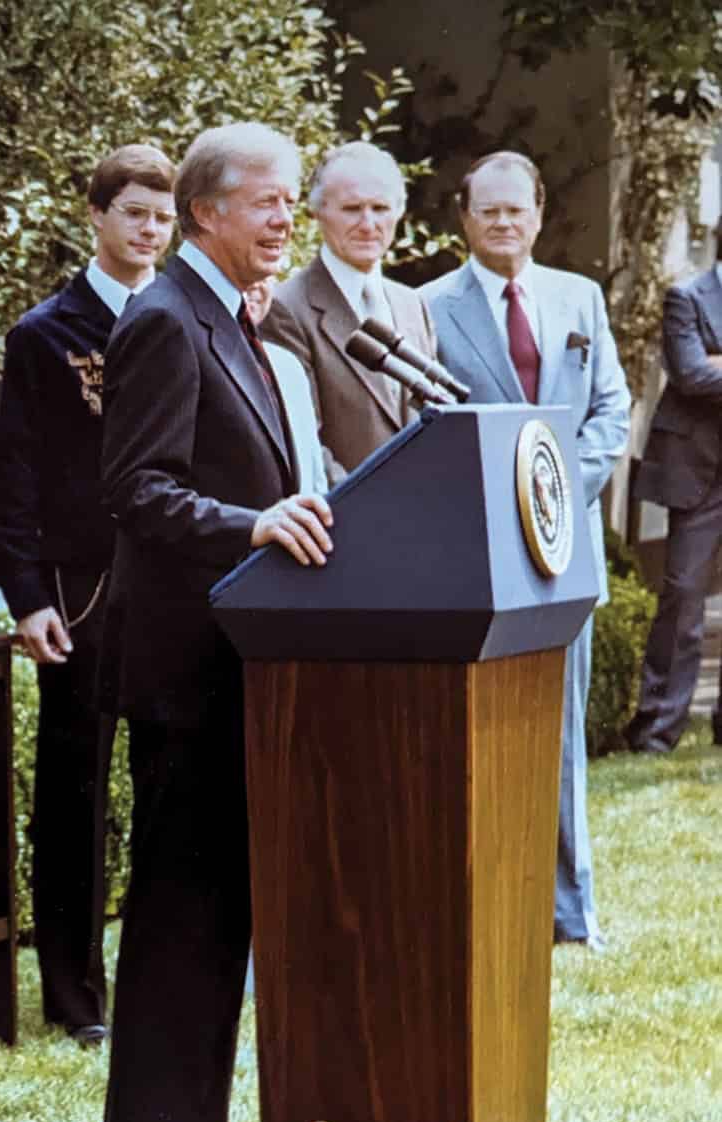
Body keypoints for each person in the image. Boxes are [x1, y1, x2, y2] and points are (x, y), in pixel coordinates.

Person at [97, 122, 334, 1122]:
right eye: (267, 201)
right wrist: (250, 524)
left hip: (248, 664)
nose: (288, 218)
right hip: (186, 670)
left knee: (216, 903)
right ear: (203, 211)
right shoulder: (162, 320)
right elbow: (136, 489)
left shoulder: (241, 323)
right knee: (180, 906)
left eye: (292, 201)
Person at [0, 143, 175, 1046]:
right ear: (96, 217)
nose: (149, 231)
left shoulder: (181, 319)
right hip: (82, 586)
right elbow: (14, 475)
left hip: (172, 580)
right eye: (134, 213)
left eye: (163, 216)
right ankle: (74, 996)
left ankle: (162, 975)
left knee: (169, 783)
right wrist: (26, 594)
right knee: (73, 794)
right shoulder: (46, 334)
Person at [421, 150, 630, 950]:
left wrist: (556, 492)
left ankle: (570, 915)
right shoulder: (428, 306)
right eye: (488, 211)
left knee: (563, 733)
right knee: (473, 734)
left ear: (539, 213)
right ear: (463, 219)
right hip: (476, 553)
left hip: (563, 548)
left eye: (517, 209)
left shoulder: (578, 297)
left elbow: (609, 408)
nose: (504, 223)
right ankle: (478, 903)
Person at [259, 140, 436, 471]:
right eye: (352, 209)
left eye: (380, 208)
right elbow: (304, 444)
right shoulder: (285, 309)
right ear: (318, 212)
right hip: (347, 515)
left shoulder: (413, 305)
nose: (368, 224)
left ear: (399, 212)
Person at [626, 243, 722, 752]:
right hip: (700, 471)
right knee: (684, 595)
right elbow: (690, 373)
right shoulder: (685, 296)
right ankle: (658, 730)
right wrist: (708, 366)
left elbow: (712, 373)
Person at [246, 277, 335, 495]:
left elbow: (315, 477)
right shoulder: (193, 352)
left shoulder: (287, 365)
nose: (254, 282)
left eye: (264, 274)